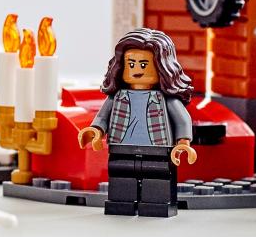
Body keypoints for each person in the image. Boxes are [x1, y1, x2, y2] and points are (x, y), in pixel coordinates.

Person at [78, 28, 198, 218]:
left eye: (143, 64)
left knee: (157, 176)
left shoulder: (166, 99)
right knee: (120, 174)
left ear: (162, 67)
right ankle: (121, 204)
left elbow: (182, 119)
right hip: (121, 146)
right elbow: (102, 117)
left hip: (158, 148)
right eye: (131, 64)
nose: (137, 70)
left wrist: (183, 142)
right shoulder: (116, 96)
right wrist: (96, 131)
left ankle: (156, 205)